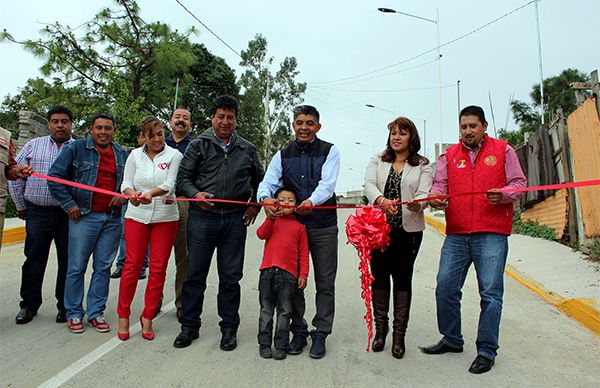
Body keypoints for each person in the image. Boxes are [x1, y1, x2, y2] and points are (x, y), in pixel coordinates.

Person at [420, 105, 527, 374]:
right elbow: (439, 185)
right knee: (445, 287)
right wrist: (436, 197)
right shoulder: (449, 155)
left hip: (491, 232)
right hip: (456, 233)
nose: (467, 131)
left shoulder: (503, 150)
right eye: (463, 127)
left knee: (490, 293)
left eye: (473, 126)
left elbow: (519, 183)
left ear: (484, 126)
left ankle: (486, 351)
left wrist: (503, 194)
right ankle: (452, 339)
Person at [173, 95, 264, 350]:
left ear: (236, 120)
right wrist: (195, 194)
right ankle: (189, 326)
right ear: (212, 117)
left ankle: (229, 329)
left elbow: (262, 181)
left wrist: (254, 205)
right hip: (202, 217)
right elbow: (183, 179)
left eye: (230, 117)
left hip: (235, 220)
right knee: (195, 275)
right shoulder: (198, 145)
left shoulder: (248, 149)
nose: (225, 122)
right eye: (220, 116)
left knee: (230, 277)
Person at [257, 104, 340, 359]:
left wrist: (311, 202)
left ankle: (320, 333)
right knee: (292, 284)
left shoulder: (330, 151)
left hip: (323, 224)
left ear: (318, 126)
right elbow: (269, 181)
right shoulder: (283, 153)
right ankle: (299, 331)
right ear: (293, 125)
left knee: (325, 283)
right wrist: (265, 199)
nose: (304, 127)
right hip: (294, 227)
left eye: (309, 123)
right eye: (299, 123)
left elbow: (328, 184)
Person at [48, 113, 128, 334]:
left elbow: (130, 183)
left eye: (108, 128)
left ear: (114, 131)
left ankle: (96, 312)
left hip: (112, 218)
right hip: (83, 216)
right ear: (91, 129)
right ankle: (73, 312)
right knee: (76, 267)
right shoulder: (76, 149)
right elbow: (54, 177)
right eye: (99, 128)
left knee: (103, 267)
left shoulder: (121, 153)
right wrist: (69, 205)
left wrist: (123, 195)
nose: (103, 132)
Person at [364, 117, 433, 359]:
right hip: (378, 230)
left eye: (402, 133)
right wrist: (381, 201)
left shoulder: (423, 164)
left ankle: (399, 336)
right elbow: (369, 185)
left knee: (403, 279)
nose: (396, 137)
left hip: (409, 231)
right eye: (393, 133)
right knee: (379, 278)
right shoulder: (378, 159)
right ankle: (380, 332)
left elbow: (424, 193)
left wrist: (417, 205)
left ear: (411, 137)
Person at [116, 116, 182, 341]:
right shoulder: (134, 155)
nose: (156, 139)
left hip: (165, 217)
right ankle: (123, 316)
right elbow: (125, 184)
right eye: (151, 135)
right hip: (136, 216)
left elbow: (169, 185)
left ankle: (147, 317)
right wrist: (131, 195)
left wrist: (150, 194)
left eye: (160, 134)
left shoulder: (175, 155)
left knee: (158, 268)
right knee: (132, 265)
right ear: (143, 136)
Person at [8, 105, 72, 324]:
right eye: (55, 121)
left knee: (68, 261)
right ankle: (29, 305)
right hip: (37, 213)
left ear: (70, 124)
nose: (60, 125)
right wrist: (20, 205)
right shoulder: (33, 146)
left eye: (64, 121)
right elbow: (15, 174)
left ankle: (65, 306)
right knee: (34, 259)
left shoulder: (79, 148)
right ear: (49, 124)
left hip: (67, 215)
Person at [256, 187, 309, 360]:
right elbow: (260, 234)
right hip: (267, 272)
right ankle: (264, 344)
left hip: (289, 276)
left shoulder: (300, 228)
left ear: (296, 205)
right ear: (275, 203)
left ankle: (281, 345)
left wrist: (303, 275)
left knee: (285, 311)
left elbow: (303, 254)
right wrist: (270, 218)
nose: (286, 203)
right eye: (282, 200)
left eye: (290, 200)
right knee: (266, 309)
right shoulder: (272, 221)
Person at [111, 131, 149, 281]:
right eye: (144, 136)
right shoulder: (131, 155)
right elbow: (125, 178)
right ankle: (121, 265)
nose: (146, 139)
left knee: (145, 236)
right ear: (139, 138)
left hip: (149, 200)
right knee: (124, 233)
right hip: (130, 199)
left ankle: (142, 266)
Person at [166, 107, 193, 321]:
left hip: (182, 202)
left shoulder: (195, 146)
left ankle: (181, 302)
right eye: (178, 117)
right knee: (157, 255)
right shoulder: (158, 142)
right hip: (155, 203)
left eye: (185, 118)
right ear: (170, 121)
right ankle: (153, 300)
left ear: (190, 124)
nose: (181, 121)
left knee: (182, 256)